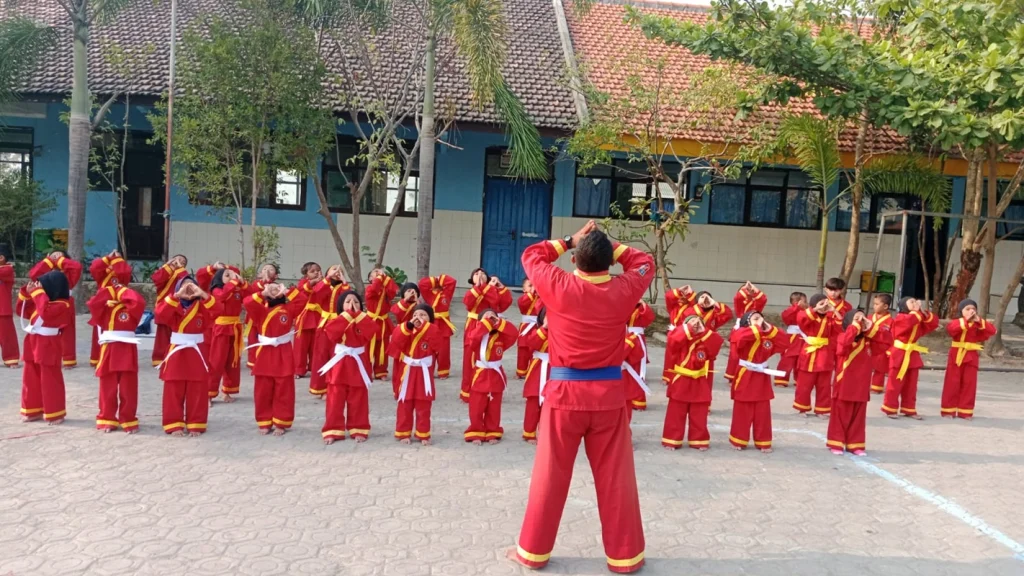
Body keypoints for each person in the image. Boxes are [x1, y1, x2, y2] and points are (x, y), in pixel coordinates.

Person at [511, 220, 652, 574]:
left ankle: (532, 553)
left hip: (564, 395)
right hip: (608, 396)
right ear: (609, 263)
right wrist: (612, 244)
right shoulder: (623, 289)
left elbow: (531, 254)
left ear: (575, 260)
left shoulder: (558, 285)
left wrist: (569, 239)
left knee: (550, 476)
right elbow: (645, 262)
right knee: (616, 478)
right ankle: (625, 558)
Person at [155, 276, 221, 436]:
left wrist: (204, 294)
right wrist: (176, 295)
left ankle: (196, 423)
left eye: (191, 285)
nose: (188, 288)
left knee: (197, 389)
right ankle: (174, 423)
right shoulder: (173, 305)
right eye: (184, 286)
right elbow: (160, 314)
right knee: (173, 389)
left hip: (196, 351)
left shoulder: (202, 307)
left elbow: (218, 310)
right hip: (177, 351)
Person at [243, 282, 307, 435]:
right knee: (262, 390)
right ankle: (264, 421)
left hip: (283, 352)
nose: (273, 290)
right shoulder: (260, 310)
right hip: (264, 353)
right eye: (270, 288)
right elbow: (247, 302)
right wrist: (263, 293)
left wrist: (288, 291)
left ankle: (281, 422)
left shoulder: (289, 310)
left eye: (276, 288)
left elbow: (302, 300)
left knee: (283, 390)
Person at [319, 290, 377, 444]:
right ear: (340, 306)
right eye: (348, 302)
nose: (352, 305)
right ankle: (332, 430)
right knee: (334, 400)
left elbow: (371, 331)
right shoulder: (336, 320)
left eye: (356, 302)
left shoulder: (364, 320)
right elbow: (332, 333)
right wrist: (347, 315)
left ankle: (359, 428)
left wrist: (357, 315)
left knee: (358, 399)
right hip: (340, 365)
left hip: (358, 363)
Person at [87, 281, 145, 433]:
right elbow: (94, 302)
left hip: (127, 348)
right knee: (107, 386)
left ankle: (128, 419)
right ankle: (107, 418)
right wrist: (109, 292)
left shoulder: (132, 308)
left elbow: (138, 301)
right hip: (109, 347)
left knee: (128, 387)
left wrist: (120, 291)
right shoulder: (105, 307)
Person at [827, 310, 886, 455]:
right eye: (856, 318)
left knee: (858, 417)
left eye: (862, 318)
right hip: (844, 383)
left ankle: (855, 444)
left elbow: (886, 342)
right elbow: (843, 347)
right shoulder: (842, 336)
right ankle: (836, 442)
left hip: (861, 384)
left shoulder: (868, 341)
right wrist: (854, 327)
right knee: (841, 415)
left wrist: (870, 327)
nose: (860, 320)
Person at [18, 271, 72, 424]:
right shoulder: (41, 299)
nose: (39, 287)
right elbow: (23, 311)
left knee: (50, 379)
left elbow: (46, 313)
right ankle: (32, 410)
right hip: (33, 340)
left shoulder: (63, 304)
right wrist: (27, 295)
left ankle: (55, 412)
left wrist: (38, 293)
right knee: (30, 377)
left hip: (48, 343)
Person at [661, 315, 723, 450]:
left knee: (699, 413)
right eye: (691, 322)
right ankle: (672, 439)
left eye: (699, 322)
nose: (695, 324)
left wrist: (703, 330)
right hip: (681, 379)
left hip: (699, 380)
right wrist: (688, 327)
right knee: (676, 413)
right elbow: (673, 340)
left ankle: (699, 440)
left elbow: (717, 343)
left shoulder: (705, 340)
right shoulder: (679, 339)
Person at [729, 311, 787, 452]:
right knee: (742, 410)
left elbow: (784, 343)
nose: (759, 321)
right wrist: (755, 328)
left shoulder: (767, 337)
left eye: (761, 318)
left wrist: (769, 329)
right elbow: (739, 340)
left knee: (762, 412)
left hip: (761, 377)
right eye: (755, 318)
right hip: (746, 374)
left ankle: (763, 441)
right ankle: (739, 439)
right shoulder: (740, 332)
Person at [388, 303, 444, 445]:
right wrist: (408, 326)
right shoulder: (406, 330)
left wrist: (424, 327)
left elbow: (438, 345)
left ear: (430, 319)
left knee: (423, 404)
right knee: (405, 403)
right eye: (415, 315)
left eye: (423, 315)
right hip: (407, 371)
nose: (418, 317)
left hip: (423, 372)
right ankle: (403, 432)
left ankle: (423, 433)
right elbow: (396, 339)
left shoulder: (433, 330)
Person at [464, 309, 518, 444]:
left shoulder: (500, 337)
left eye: (492, 317)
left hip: (496, 375)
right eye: (486, 318)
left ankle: (493, 430)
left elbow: (513, 334)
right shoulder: (476, 337)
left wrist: (498, 322)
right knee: (476, 407)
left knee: (494, 407)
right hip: (480, 375)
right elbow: (472, 338)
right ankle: (475, 431)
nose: (490, 320)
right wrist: (484, 325)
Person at [882, 297, 938, 419]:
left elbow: (932, 324)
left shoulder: (917, 317)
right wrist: (916, 312)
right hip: (899, 353)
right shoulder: (900, 318)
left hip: (912, 353)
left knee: (911, 384)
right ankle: (890, 408)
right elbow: (908, 322)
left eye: (915, 301)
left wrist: (924, 312)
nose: (915, 303)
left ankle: (909, 408)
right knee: (895, 383)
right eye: (911, 302)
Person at [461, 268, 512, 402]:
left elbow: (500, 303)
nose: (480, 275)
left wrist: (499, 286)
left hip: (491, 323)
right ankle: (467, 391)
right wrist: (480, 287)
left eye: (483, 273)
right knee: (469, 358)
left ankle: (487, 388)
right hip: (474, 324)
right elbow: (468, 303)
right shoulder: (471, 292)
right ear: (471, 279)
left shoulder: (492, 290)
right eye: (476, 274)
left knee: (489, 354)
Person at [941, 299, 996, 420]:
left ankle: (965, 411)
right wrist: (966, 321)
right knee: (952, 383)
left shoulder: (978, 324)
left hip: (971, 356)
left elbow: (992, 331)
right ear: (961, 311)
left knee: (969, 384)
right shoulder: (957, 322)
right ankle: (948, 410)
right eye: (968, 309)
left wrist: (980, 321)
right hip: (956, 355)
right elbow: (951, 330)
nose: (971, 311)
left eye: (974, 309)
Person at [29, 252, 83, 368]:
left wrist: (61, 260)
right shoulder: (47, 270)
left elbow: (77, 267)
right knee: (46, 329)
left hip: (65, 301)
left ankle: (69, 359)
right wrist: (48, 261)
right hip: (46, 301)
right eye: (53, 255)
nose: (55, 257)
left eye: (58, 255)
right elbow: (33, 275)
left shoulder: (68, 271)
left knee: (67, 331)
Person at [205, 266, 249, 404]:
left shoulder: (236, 290)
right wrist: (234, 283)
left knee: (233, 361)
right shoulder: (216, 290)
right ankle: (209, 393)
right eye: (227, 275)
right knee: (217, 361)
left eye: (233, 274)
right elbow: (222, 296)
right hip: (221, 328)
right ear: (219, 278)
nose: (231, 277)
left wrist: (243, 284)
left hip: (235, 327)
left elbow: (250, 296)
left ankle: (228, 391)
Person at [794, 294, 842, 417]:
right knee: (804, 384)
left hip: (825, 354)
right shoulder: (808, 316)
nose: (824, 307)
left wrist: (834, 310)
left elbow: (840, 328)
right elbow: (801, 319)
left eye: (826, 304)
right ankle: (802, 408)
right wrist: (815, 309)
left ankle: (822, 409)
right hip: (809, 353)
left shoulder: (830, 318)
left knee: (824, 385)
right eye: (821, 304)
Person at [307, 265, 352, 397]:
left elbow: (348, 300)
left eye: (340, 272)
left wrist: (344, 282)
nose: (337, 273)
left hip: (340, 324)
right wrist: (327, 278)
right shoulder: (324, 285)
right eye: (334, 270)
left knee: (337, 355)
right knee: (321, 355)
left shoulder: (343, 287)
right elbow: (317, 293)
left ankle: (335, 386)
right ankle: (320, 387)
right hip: (324, 324)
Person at [87, 250, 132, 367]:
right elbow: (94, 268)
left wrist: (118, 259)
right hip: (102, 302)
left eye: (117, 259)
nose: (114, 259)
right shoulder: (102, 273)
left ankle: (114, 358)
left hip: (119, 303)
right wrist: (107, 258)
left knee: (116, 330)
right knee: (98, 331)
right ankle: (97, 357)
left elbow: (124, 271)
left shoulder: (123, 273)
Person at [724, 282, 767, 384]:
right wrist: (745, 289)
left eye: (749, 290)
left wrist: (754, 289)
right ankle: (732, 376)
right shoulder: (740, 303)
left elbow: (763, 299)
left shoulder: (756, 305)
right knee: (735, 355)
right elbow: (737, 298)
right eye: (745, 290)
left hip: (753, 329)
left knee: (751, 352)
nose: (748, 291)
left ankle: (749, 375)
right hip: (740, 329)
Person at [151, 254, 189, 366]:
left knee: (177, 334)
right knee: (162, 336)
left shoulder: (182, 274)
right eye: (176, 259)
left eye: (182, 261)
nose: (178, 262)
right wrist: (168, 266)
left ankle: (175, 357)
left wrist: (180, 268)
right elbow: (156, 279)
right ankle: (159, 359)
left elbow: (187, 283)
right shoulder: (165, 272)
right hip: (164, 306)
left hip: (178, 308)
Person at [518, 307, 549, 444]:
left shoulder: (563, 333)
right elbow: (531, 344)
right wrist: (545, 328)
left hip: (555, 369)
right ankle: (529, 432)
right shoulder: (536, 330)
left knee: (550, 403)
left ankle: (546, 432)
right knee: (533, 401)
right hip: (538, 367)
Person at [418, 274, 457, 379]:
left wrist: (441, 278)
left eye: (439, 282)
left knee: (444, 349)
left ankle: (443, 371)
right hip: (432, 322)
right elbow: (422, 284)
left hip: (444, 324)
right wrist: (434, 280)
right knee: (430, 348)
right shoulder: (428, 294)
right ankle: (429, 369)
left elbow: (452, 281)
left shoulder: (446, 293)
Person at [365, 268, 398, 380]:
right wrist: (379, 278)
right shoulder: (369, 288)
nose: (379, 273)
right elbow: (374, 289)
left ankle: (381, 371)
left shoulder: (386, 291)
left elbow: (393, 290)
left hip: (383, 322)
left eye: (380, 272)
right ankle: (366, 371)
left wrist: (386, 278)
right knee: (368, 348)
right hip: (371, 320)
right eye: (375, 272)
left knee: (382, 349)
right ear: (370, 279)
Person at [622, 301, 655, 415]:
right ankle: (627, 396)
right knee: (625, 369)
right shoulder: (622, 304)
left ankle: (639, 400)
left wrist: (641, 302)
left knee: (637, 369)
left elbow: (649, 317)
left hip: (636, 339)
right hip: (623, 337)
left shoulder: (641, 308)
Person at [293, 262, 323, 379]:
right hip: (304, 318)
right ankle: (298, 369)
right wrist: (312, 283)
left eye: (318, 270)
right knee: (300, 347)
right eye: (312, 271)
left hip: (318, 316)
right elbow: (301, 291)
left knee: (316, 346)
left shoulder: (324, 284)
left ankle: (314, 367)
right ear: (306, 274)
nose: (316, 272)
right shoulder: (303, 283)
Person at [245, 263, 279, 368]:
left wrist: (268, 281)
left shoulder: (277, 286)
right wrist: (265, 280)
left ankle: (266, 362)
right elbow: (255, 292)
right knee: (253, 340)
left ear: (276, 275)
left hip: (269, 317)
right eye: (264, 269)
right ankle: (253, 363)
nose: (267, 271)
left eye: (271, 269)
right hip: (255, 317)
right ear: (260, 274)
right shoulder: (255, 284)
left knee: (267, 340)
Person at [775, 292, 807, 387]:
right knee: (787, 359)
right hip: (792, 337)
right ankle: (781, 379)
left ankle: (799, 380)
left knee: (802, 360)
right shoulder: (790, 310)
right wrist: (797, 307)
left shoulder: (808, 310)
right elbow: (785, 317)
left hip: (804, 337)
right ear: (795, 301)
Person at [516, 279, 544, 379]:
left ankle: (534, 369)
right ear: (524, 289)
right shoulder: (523, 299)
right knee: (523, 350)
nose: (533, 288)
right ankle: (521, 371)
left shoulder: (541, 298)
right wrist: (531, 294)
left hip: (537, 326)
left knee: (536, 347)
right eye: (530, 285)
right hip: (526, 326)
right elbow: (522, 304)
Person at [869, 294, 894, 394]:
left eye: (876, 304)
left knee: (880, 369)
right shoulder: (870, 317)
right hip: (869, 346)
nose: (874, 306)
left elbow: (893, 337)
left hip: (882, 349)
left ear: (885, 306)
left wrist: (890, 351)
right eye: (874, 304)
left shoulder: (891, 321)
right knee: (865, 367)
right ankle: (863, 385)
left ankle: (877, 387)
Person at [0, 244, 18, 367]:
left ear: (1, 257)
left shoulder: (7, 269)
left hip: (2, 309)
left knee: (7, 337)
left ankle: (11, 359)